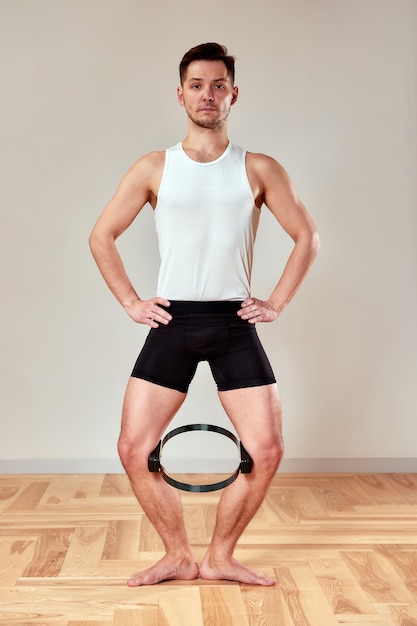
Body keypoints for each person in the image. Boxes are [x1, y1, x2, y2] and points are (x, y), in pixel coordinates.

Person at [89, 42, 320, 587]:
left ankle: (219, 556)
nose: (208, 94)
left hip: (233, 324)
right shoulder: (154, 167)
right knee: (133, 447)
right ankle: (175, 554)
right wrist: (130, 300)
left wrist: (277, 301)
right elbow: (101, 236)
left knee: (266, 449)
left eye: (218, 85)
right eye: (197, 85)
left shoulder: (259, 168)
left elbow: (307, 236)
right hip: (173, 322)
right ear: (181, 94)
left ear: (233, 94)